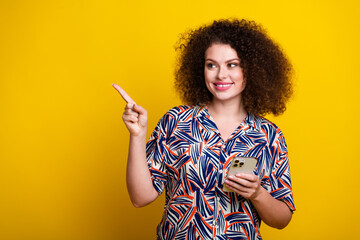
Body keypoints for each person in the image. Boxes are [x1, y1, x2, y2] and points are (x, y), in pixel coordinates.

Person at [113, 18, 295, 240]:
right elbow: (140, 198)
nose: (221, 75)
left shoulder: (269, 135)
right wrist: (137, 136)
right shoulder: (176, 121)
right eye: (212, 65)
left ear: (251, 69)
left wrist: (257, 194)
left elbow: (282, 220)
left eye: (232, 64)